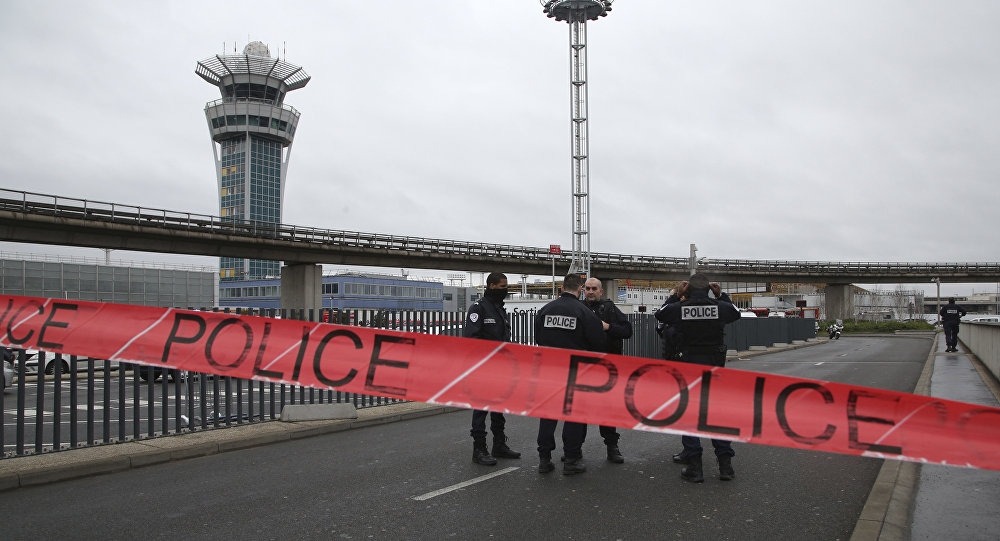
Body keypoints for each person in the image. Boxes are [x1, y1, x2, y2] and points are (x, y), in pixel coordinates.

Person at [655, 273, 741, 483]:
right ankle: (725, 466)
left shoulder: (680, 308)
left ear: (688, 290)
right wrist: (721, 296)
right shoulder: (719, 307)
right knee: (717, 416)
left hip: (689, 368)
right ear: (709, 289)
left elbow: (660, 314)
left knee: (690, 415)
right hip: (715, 369)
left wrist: (676, 295)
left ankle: (695, 466)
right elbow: (735, 313)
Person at [534, 273, 606, 475]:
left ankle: (544, 458)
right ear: (581, 288)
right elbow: (598, 342)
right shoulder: (584, 312)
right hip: (576, 371)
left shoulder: (545, 310)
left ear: (561, 288)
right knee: (573, 414)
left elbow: (539, 338)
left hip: (549, 370)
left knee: (547, 415)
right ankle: (571, 459)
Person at [462, 272, 520, 466]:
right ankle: (479, 449)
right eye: (503, 286)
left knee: (498, 408)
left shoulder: (499, 309)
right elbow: (471, 340)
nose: (506, 290)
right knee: (481, 410)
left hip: (500, 369)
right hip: (483, 369)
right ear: (492, 286)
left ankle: (499, 444)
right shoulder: (478, 309)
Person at [582, 277, 633, 463]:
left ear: (601, 291)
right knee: (580, 410)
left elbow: (627, 330)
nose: (590, 291)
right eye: (587, 288)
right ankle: (574, 450)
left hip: (607, 368)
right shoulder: (579, 308)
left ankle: (612, 447)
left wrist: (608, 327)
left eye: (594, 288)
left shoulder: (610, 308)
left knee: (607, 411)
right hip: (585, 367)